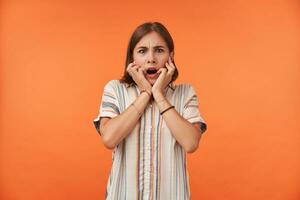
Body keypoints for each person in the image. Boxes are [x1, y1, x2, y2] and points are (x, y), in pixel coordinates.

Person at [93, 21, 207, 200]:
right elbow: (109, 138)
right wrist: (145, 94)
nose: (151, 58)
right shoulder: (115, 90)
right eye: (142, 51)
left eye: (159, 50)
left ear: (171, 56)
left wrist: (159, 96)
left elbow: (191, 143)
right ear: (132, 59)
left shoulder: (185, 93)